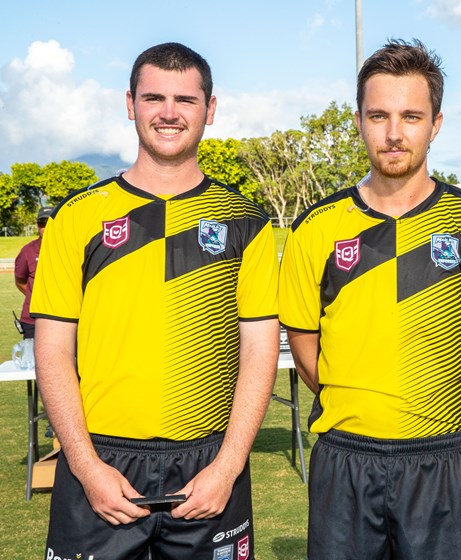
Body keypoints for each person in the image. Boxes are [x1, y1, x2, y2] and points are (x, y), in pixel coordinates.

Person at [31, 42, 279, 560]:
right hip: (101, 459)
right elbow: (52, 352)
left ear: (210, 109)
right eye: (154, 98)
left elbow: (259, 353)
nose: (169, 113)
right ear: (130, 104)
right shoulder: (77, 218)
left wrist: (228, 467)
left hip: (208, 464)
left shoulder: (247, 222)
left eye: (186, 100)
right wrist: (85, 465)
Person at [279, 39, 461, 560]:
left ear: (436, 123)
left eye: (411, 116)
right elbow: (304, 344)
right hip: (346, 460)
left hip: (447, 461)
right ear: (359, 121)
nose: (394, 133)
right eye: (379, 115)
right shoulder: (314, 229)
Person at [14, 206, 53, 339]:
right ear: (37, 225)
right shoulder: (27, 251)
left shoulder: (71, 248)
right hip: (32, 319)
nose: (45, 227)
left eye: (49, 223)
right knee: (31, 359)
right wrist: (37, 296)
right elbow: (20, 281)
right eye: (42, 223)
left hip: (63, 317)